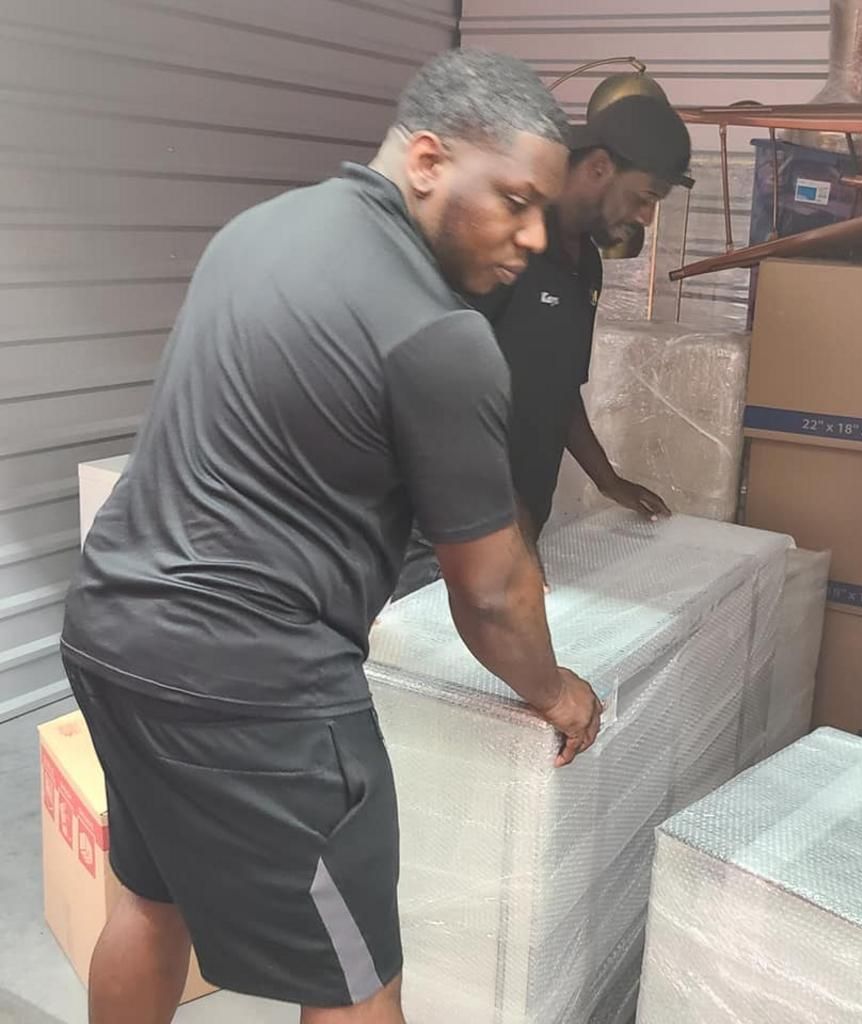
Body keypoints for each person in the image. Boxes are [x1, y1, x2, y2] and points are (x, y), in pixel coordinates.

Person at [59, 49, 603, 1024]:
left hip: (111, 631)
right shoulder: (440, 335)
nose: (531, 237)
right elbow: (492, 594)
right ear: (429, 160)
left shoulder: (259, 231)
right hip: (254, 689)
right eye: (516, 201)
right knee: (355, 980)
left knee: (149, 900)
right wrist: (559, 690)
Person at [394, 92, 692, 599]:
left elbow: (559, 386)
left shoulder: (585, 264)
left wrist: (606, 479)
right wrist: (511, 520)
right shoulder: (502, 241)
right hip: (443, 535)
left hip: (516, 524)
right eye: (645, 197)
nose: (645, 217)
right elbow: (440, 398)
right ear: (598, 167)